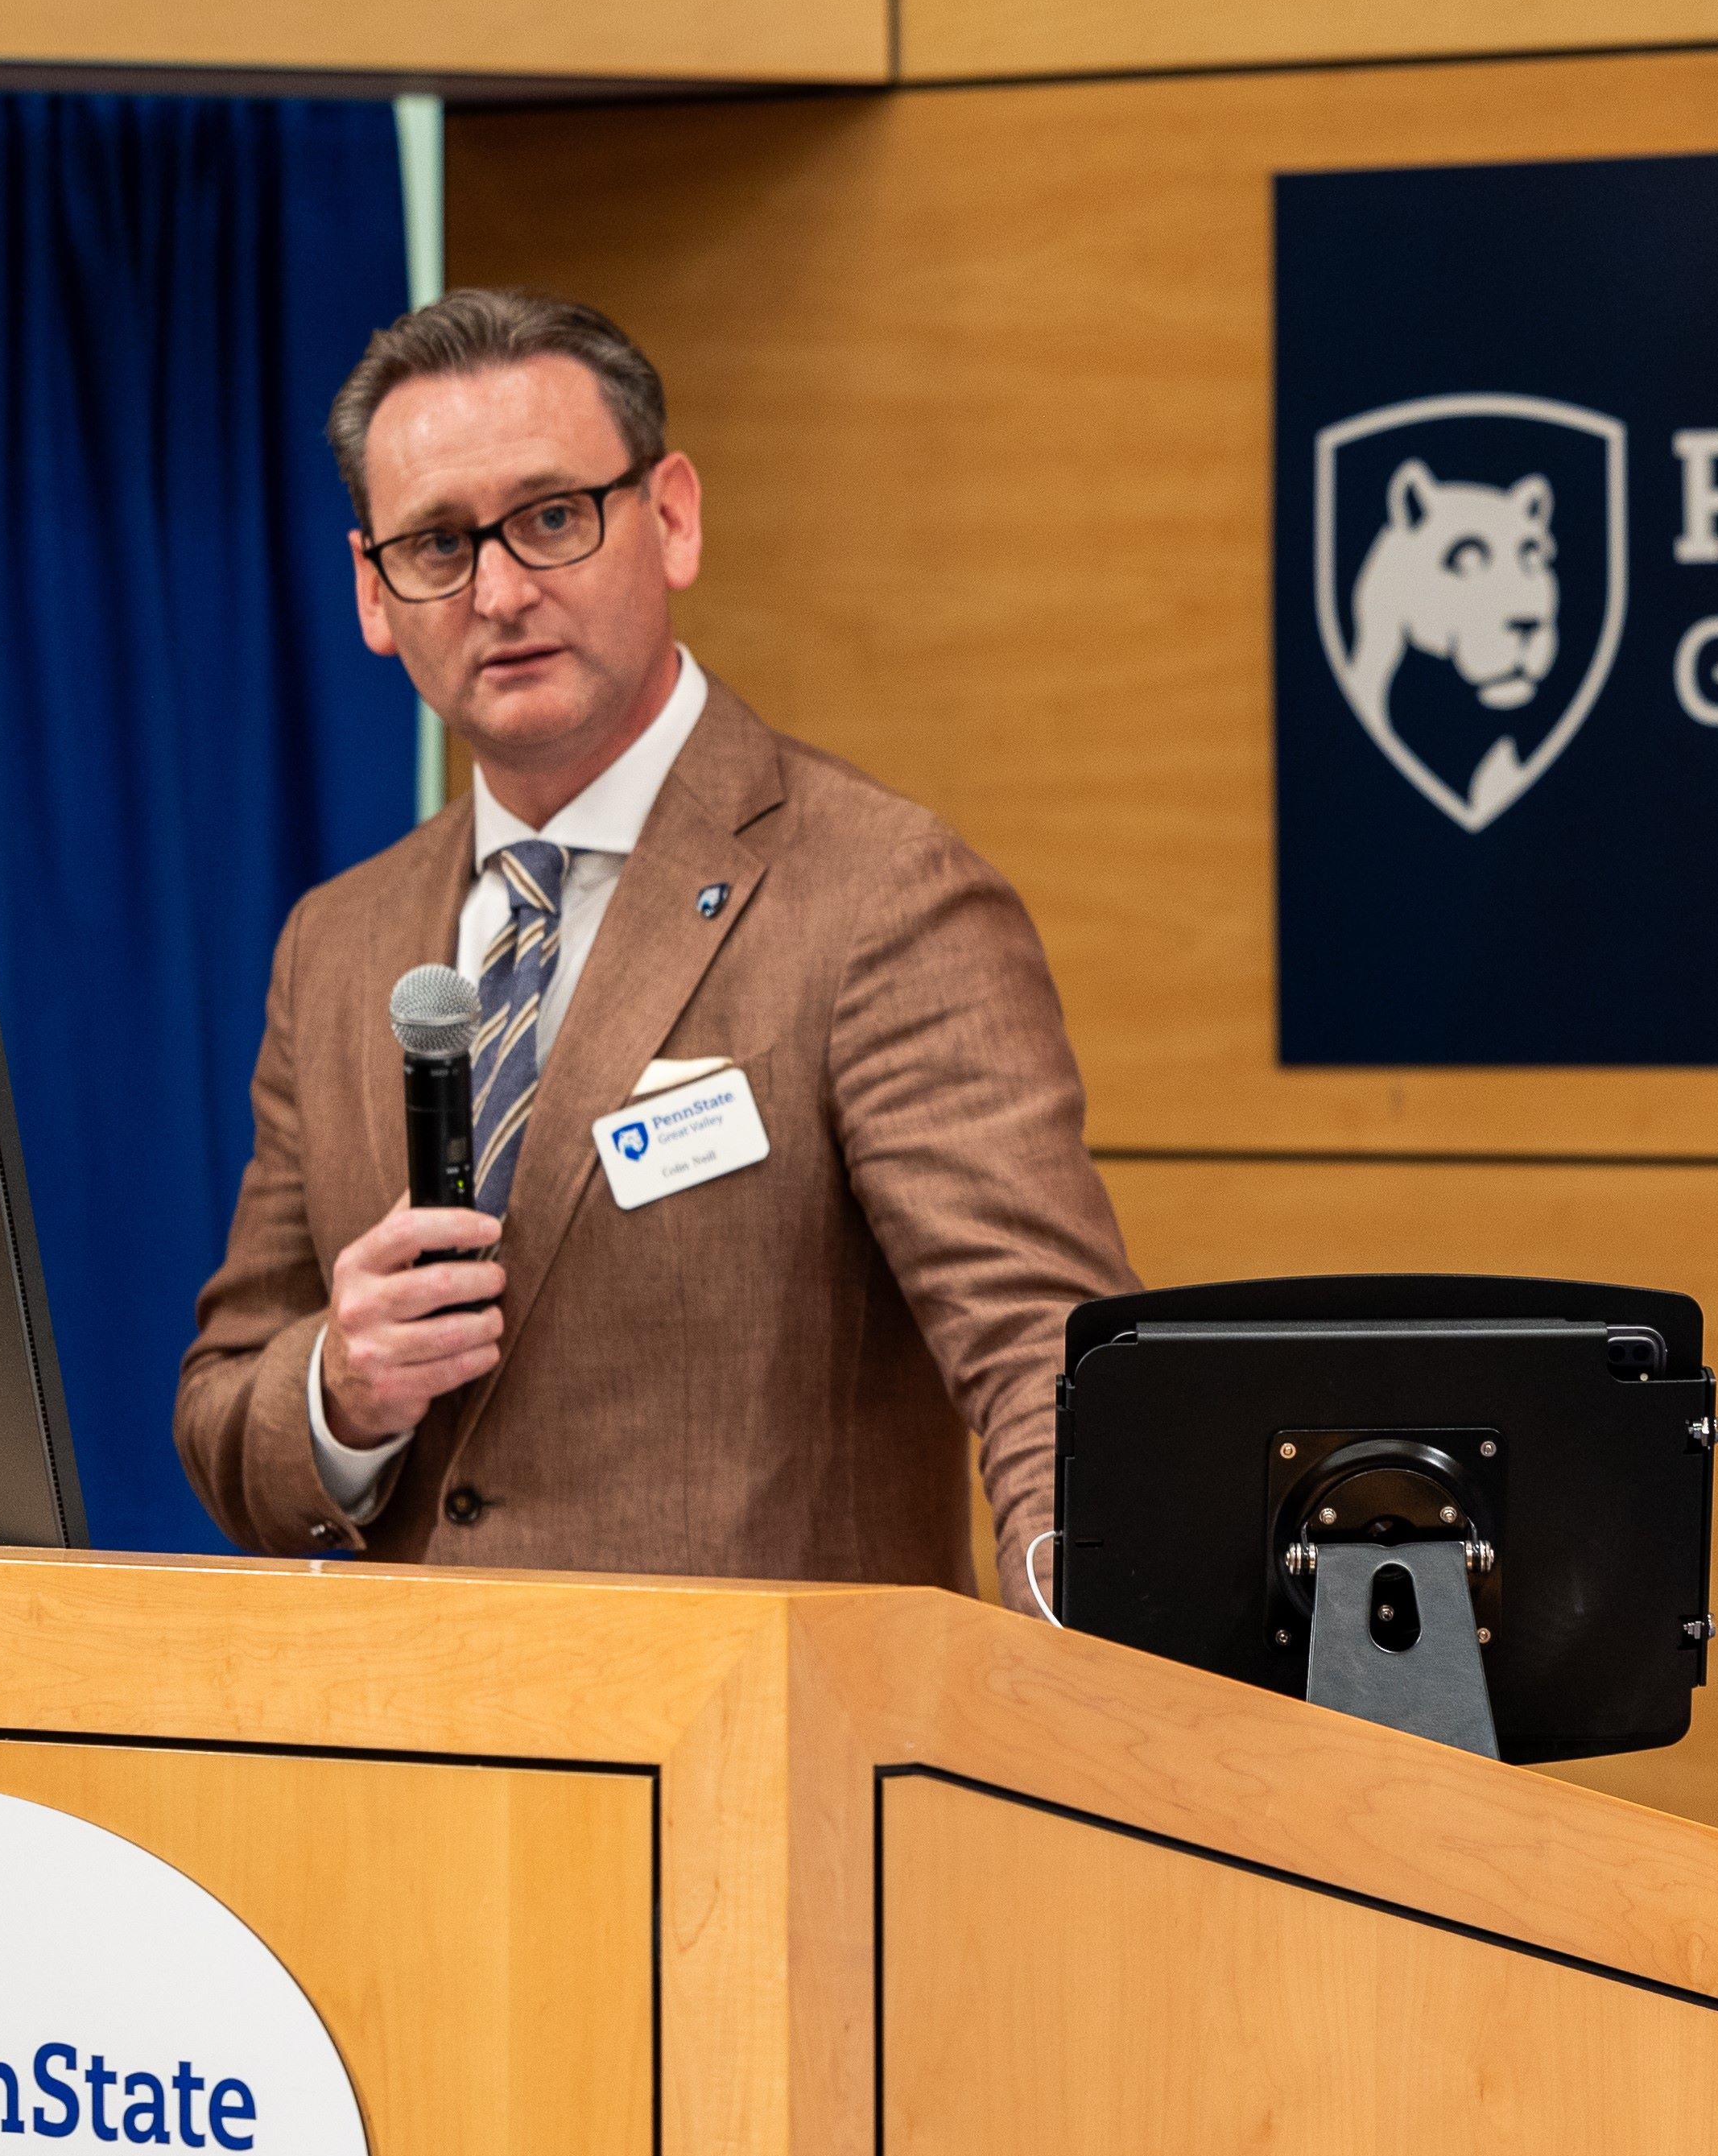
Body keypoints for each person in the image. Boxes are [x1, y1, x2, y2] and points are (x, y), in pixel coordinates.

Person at [173, 288, 1134, 1601]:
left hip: (762, 1769)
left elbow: (1047, 1365)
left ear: (671, 516)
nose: (500, 590)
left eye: (553, 519)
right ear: (373, 592)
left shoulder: (881, 896)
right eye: (439, 545)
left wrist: (1076, 1668)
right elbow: (226, 1407)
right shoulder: (337, 945)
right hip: (405, 1772)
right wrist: (342, 1387)